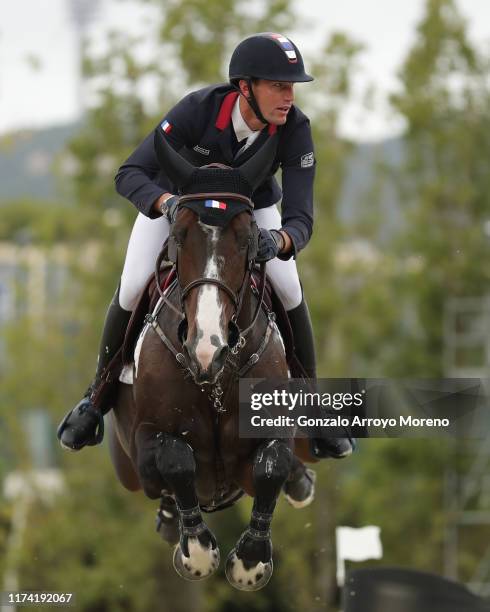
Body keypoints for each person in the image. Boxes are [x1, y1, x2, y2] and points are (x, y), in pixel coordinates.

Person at [57, 32, 353, 459]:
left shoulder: (295, 129)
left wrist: (281, 240)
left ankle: (310, 405)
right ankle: (96, 399)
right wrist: (166, 202)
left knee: (288, 287)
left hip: (250, 213)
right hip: (179, 209)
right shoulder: (196, 111)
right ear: (245, 87)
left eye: (293, 87)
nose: (289, 97)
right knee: (134, 282)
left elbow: (302, 215)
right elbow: (130, 172)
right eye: (279, 86)